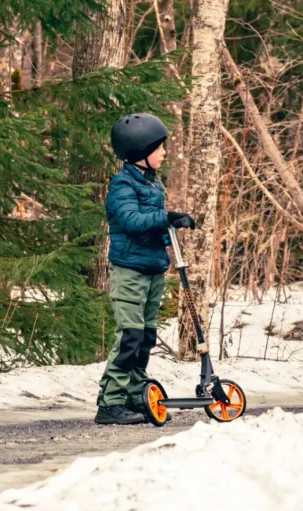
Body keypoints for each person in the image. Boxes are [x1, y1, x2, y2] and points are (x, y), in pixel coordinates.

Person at [95, 113, 196, 425]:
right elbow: (130, 221)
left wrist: (172, 225)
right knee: (130, 336)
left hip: (152, 270)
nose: (164, 153)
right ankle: (110, 403)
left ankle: (134, 395)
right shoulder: (122, 184)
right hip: (129, 273)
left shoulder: (153, 184)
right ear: (140, 151)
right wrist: (165, 217)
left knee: (146, 337)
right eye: (160, 148)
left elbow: (152, 227)